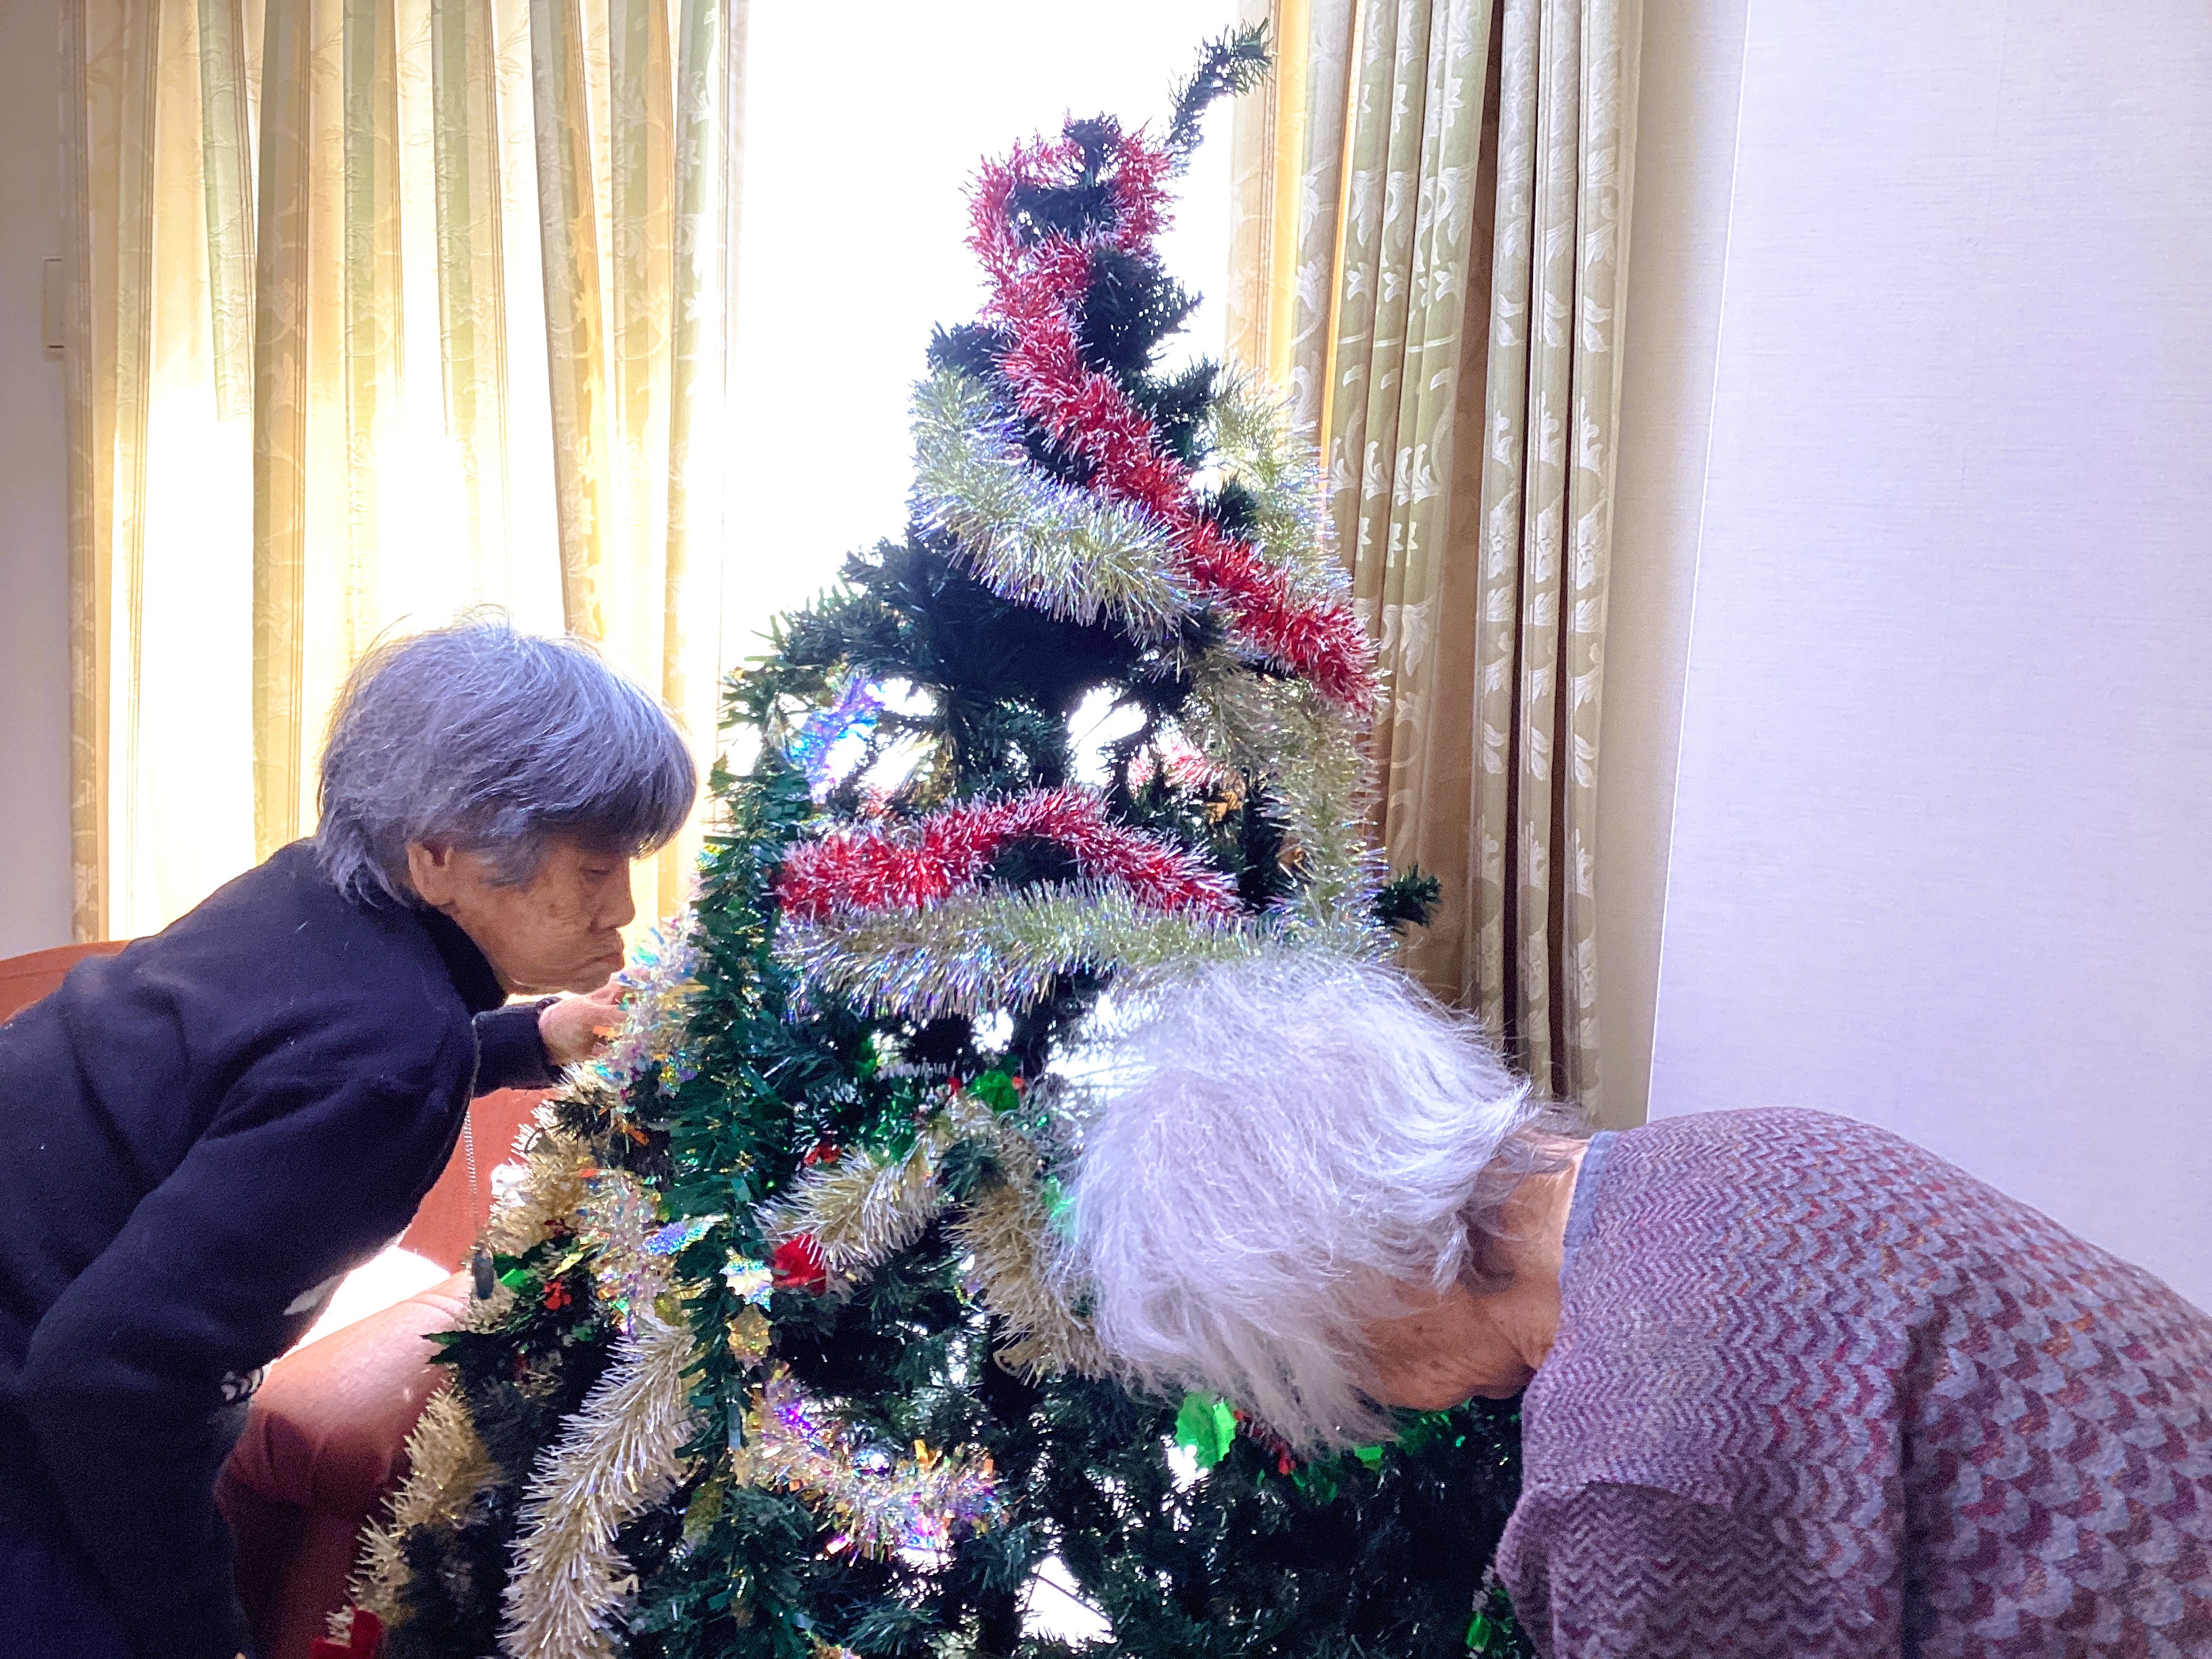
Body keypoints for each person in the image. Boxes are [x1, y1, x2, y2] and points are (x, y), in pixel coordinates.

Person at [1064, 956, 2212, 1658]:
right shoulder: (1748, 1145)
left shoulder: (1626, 1467)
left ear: (1355, 1278)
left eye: (1295, 1356)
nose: (1355, 1398)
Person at [0, 616, 697, 1659]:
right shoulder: (389, 1063)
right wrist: (201, 1632)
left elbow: (289, 1057)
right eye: (596, 871)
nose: (624, 911)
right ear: (438, 854)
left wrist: (531, 1036)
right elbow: (109, 1379)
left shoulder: (310, 889)